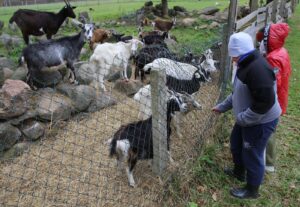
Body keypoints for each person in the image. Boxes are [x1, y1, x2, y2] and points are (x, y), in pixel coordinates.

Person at [212, 32, 281, 199]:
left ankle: (252, 189)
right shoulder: (245, 64)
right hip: (247, 118)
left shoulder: (257, 70)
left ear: (240, 52)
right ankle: (239, 171)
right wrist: (223, 107)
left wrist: (244, 118)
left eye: (233, 55)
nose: (232, 59)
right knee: (236, 143)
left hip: (260, 120)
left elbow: (265, 102)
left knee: (252, 152)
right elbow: (239, 93)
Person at [256, 23, 291, 173]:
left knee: (268, 131)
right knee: (271, 130)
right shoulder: (281, 52)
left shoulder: (273, 59)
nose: (259, 45)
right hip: (280, 98)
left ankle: (267, 163)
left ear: (267, 40)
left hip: (272, 102)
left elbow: (272, 84)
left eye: (261, 42)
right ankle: (268, 161)